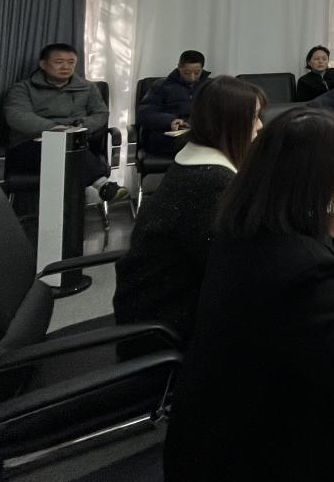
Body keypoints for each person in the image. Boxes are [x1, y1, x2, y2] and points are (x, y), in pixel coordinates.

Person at [163, 109, 334, 482]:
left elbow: (311, 241)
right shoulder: (300, 275)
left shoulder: (244, 220)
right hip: (255, 457)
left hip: (215, 422)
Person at [113, 76, 265, 344]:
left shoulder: (194, 162)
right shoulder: (210, 181)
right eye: (254, 118)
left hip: (153, 306)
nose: (260, 126)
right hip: (165, 327)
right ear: (230, 123)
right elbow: (235, 265)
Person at [1, 43, 127, 205]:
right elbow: (17, 116)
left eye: (71, 62)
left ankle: (92, 195)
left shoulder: (87, 88)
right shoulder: (22, 88)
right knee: (66, 150)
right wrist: (53, 128)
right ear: (43, 64)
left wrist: (80, 125)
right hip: (31, 145)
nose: (66, 67)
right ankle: (103, 184)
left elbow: (101, 113)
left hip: (75, 141)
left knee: (72, 148)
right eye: (58, 62)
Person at [137, 50, 210, 157]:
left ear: (202, 69)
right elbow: (145, 113)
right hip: (168, 135)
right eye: (187, 73)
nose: (192, 77)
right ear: (179, 67)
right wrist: (170, 121)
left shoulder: (210, 87)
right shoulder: (161, 86)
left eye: (197, 73)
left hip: (198, 133)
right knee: (193, 145)